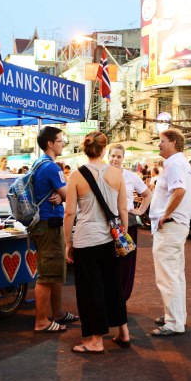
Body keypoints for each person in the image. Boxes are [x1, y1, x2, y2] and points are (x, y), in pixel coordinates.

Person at [64, 132, 130, 353]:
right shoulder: (117, 173)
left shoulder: (76, 175)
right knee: (112, 286)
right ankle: (124, 331)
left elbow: (70, 213)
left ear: (86, 149)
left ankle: (95, 341)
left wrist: (67, 242)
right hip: (109, 238)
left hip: (86, 239)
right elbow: (122, 209)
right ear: (103, 150)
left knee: (91, 290)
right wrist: (121, 235)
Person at [32, 126, 77, 333]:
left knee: (56, 271)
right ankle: (41, 320)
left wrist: (60, 195)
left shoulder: (39, 163)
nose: (63, 144)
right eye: (60, 140)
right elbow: (70, 194)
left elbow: (61, 194)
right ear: (50, 144)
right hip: (48, 225)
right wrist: (64, 194)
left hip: (47, 224)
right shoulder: (51, 167)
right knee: (47, 274)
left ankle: (57, 312)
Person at [150, 128, 191, 337]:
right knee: (175, 275)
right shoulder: (181, 163)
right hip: (177, 225)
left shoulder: (174, 163)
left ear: (174, 143)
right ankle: (176, 316)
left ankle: (174, 322)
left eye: (162, 141)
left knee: (167, 276)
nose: (159, 145)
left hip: (170, 225)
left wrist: (165, 214)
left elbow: (179, 191)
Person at [108, 143, 152, 301]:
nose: (115, 159)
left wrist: (140, 210)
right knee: (108, 261)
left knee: (126, 262)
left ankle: (122, 297)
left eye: (119, 156)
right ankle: (109, 296)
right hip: (107, 222)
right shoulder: (102, 174)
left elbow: (147, 194)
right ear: (108, 156)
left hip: (127, 224)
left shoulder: (130, 176)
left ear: (123, 158)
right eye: (113, 156)